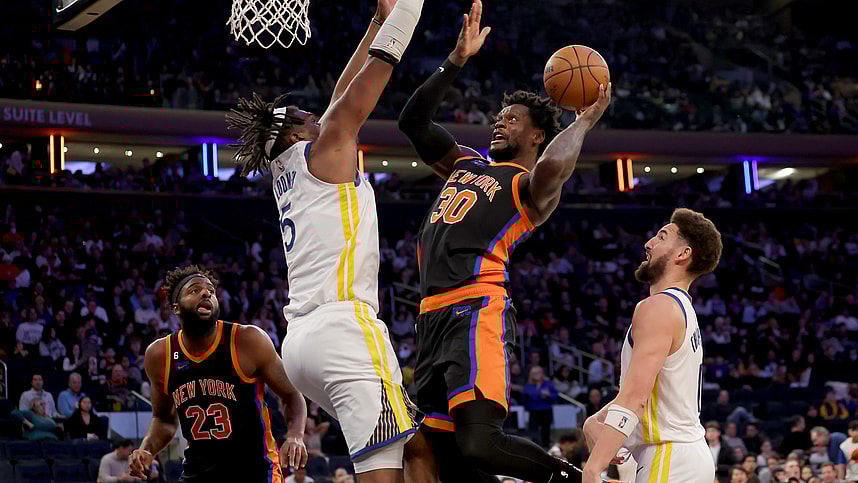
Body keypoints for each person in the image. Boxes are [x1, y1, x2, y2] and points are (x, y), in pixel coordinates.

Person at [399, 0, 610, 480]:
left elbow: (555, 167)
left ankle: (569, 478)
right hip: (429, 319)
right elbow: (412, 123)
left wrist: (582, 122)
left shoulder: (528, 188)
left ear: (537, 136)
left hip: (476, 312)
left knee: (479, 442)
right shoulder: (465, 163)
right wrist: (456, 60)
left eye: (512, 118)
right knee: (441, 456)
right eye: (500, 116)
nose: (500, 121)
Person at [225, 0, 433, 481]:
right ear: (296, 130)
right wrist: (408, 10)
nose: (320, 114)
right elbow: (372, 76)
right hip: (344, 329)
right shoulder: (326, 147)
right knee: (383, 471)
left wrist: (377, 19)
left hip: (299, 345)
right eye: (307, 114)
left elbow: (342, 93)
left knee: (419, 446)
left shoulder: (294, 166)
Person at [128, 266, 308, 482]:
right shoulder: (160, 355)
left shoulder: (247, 340)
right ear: (176, 307)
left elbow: (292, 394)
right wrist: (147, 449)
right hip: (199, 471)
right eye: (194, 290)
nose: (206, 293)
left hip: (254, 470)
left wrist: (295, 436)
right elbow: (164, 419)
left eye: (211, 291)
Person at [583, 209, 723, 483]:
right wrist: (595, 420)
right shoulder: (679, 308)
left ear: (683, 254)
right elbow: (649, 392)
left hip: (669, 456)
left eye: (661, 237)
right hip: (683, 456)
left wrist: (593, 468)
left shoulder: (658, 307)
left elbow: (635, 397)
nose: (649, 243)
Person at [523, 366, 558, 448]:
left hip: (546, 410)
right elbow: (525, 397)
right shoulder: (528, 386)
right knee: (534, 431)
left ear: (542, 374)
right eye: (534, 373)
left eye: (538, 372)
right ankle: (536, 447)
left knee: (546, 430)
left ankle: (546, 447)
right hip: (533, 411)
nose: (537, 375)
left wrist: (549, 395)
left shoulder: (548, 384)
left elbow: (555, 395)